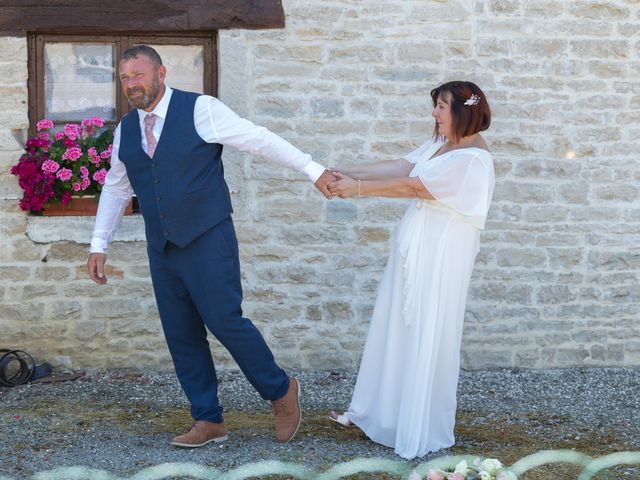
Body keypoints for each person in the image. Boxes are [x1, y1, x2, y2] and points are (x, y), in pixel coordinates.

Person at [86, 45, 336, 448]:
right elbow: (116, 189)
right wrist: (99, 244)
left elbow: (259, 140)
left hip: (207, 236)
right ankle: (208, 419)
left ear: (161, 73)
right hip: (162, 245)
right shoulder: (125, 130)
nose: (131, 84)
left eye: (138, 75)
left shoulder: (201, 109)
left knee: (225, 320)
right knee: (181, 333)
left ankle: (280, 390)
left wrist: (313, 169)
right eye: (124, 78)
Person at [327, 81, 494, 460]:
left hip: (440, 258)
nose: (434, 114)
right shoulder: (442, 144)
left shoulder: (473, 161)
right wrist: (345, 172)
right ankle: (380, 415)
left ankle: (416, 425)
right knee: (396, 326)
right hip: (414, 251)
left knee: (425, 327)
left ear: (463, 112)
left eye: (440, 107)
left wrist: (356, 190)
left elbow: (414, 187)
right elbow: (403, 165)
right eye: (435, 106)